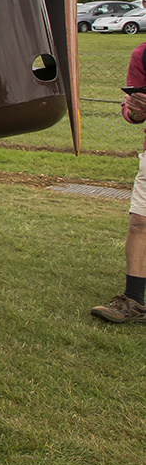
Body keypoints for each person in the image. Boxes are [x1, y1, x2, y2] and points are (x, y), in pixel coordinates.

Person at [96, 44, 146, 323]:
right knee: (140, 221)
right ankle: (134, 301)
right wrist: (136, 110)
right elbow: (133, 114)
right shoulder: (143, 55)